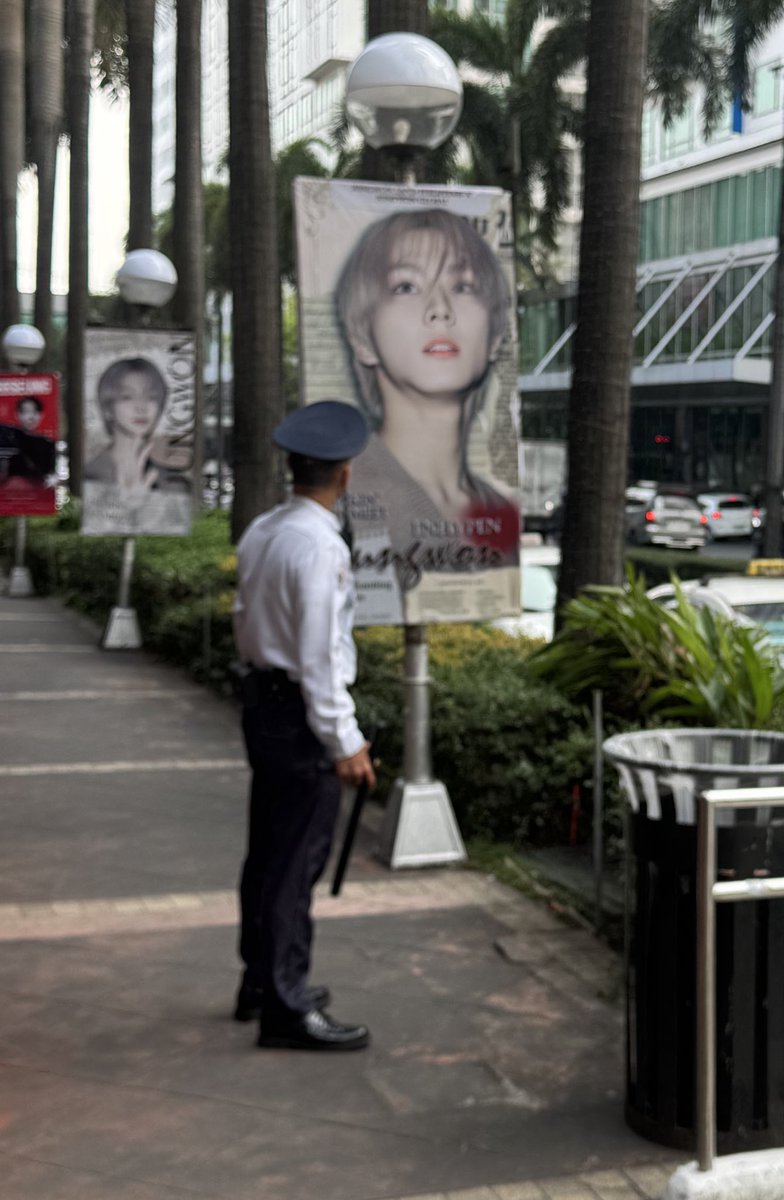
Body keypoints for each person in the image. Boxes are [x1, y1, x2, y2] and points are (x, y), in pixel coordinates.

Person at [232, 400, 376, 1051]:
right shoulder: (318, 545)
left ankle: (261, 980)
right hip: (298, 715)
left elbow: (248, 621)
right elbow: (318, 654)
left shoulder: (264, 529)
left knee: (266, 852)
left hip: (263, 705)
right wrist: (343, 739)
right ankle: (286, 1008)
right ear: (343, 474)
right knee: (294, 864)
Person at [335, 208, 520, 592]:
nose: (440, 310)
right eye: (406, 286)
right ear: (361, 336)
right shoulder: (344, 500)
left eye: (463, 286)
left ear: (496, 335)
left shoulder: (497, 510)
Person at [84, 357, 189, 493]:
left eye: (151, 397)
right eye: (127, 396)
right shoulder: (88, 476)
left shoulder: (175, 485)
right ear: (108, 408)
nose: (141, 407)